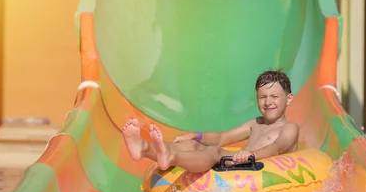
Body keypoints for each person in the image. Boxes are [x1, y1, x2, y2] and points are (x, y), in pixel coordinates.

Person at [121, 69, 299, 173]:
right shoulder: (256, 123)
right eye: (262, 97)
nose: (268, 102)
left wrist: (251, 155)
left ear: (289, 98)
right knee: (192, 145)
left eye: (274, 96)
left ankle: (172, 157)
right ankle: (145, 148)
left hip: (256, 168)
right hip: (240, 165)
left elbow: (277, 148)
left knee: (215, 153)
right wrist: (196, 136)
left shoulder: (289, 128)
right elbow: (222, 137)